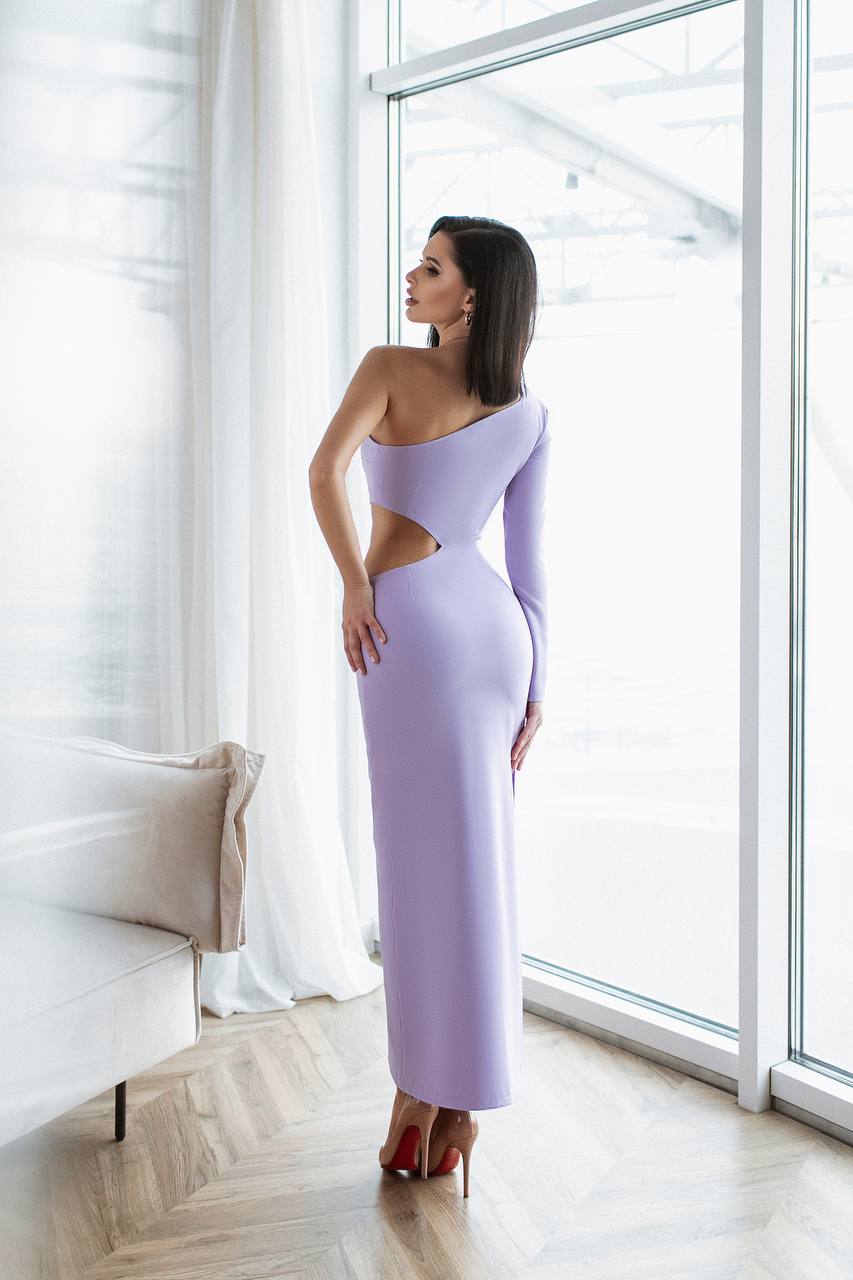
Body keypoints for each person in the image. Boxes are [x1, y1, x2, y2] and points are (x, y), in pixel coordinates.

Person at [308, 214, 551, 1198]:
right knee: (477, 866)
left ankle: (418, 1093)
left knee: (416, 868)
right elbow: (530, 562)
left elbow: (323, 470)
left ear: (474, 295)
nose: (413, 275)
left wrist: (353, 587)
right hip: (495, 637)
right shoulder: (526, 407)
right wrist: (539, 683)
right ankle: (458, 1106)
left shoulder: (385, 369)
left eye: (433, 266)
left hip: (407, 627)